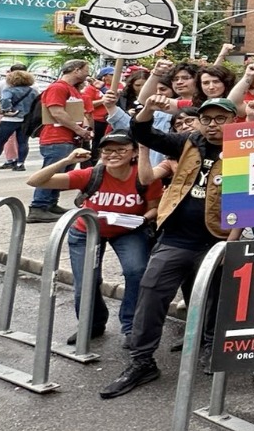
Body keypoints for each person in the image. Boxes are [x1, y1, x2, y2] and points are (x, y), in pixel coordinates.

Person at [102, 88, 242, 398]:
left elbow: (253, 201)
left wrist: (230, 244)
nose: (213, 124)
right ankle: (141, 361)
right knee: (151, 294)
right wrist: (148, 109)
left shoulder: (248, 149)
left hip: (215, 239)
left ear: (234, 120)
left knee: (210, 298)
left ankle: (208, 346)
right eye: (206, 119)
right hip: (176, 237)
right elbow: (141, 132)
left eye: (221, 118)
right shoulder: (188, 142)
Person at [26, 132, 161, 344]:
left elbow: (155, 208)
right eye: (108, 150)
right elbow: (35, 181)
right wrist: (67, 160)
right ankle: (92, 324)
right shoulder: (91, 174)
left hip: (128, 231)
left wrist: (142, 220)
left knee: (136, 272)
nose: (113, 155)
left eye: (121, 149)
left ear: (134, 152)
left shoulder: (143, 177)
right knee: (86, 280)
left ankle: (131, 326)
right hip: (86, 231)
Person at [28, 60, 94, 221]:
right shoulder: (58, 87)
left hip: (68, 138)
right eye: (86, 70)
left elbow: (79, 113)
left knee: (61, 172)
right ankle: (38, 206)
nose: (88, 74)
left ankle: (50, 203)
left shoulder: (71, 89)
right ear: (76, 70)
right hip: (56, 138)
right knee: (53, 171)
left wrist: (83, 130)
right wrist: (79, 130)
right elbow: (57, 112)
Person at [0, 67, 38, 172]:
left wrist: (7, 109)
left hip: (10, 120)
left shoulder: (9, 90)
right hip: (25, 120)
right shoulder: (32, 91)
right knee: (23, 142)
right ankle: (20, 164)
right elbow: (37, 103)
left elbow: (5, 99)